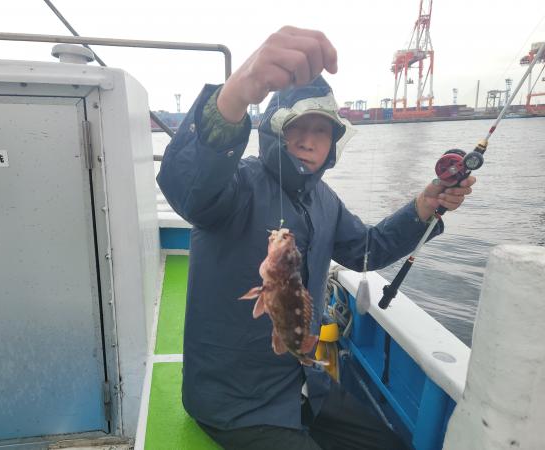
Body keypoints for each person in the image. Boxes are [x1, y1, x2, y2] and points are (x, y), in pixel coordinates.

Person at [157, 26, 475, 450]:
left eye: (321, 130)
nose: (309, 140)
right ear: (275, 130)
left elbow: (367, 250)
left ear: (333, 142)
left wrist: (423, 207)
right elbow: (189, 190)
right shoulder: (236, 186)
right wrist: (238, 91)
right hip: (235, 403)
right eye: (297, 127)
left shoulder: (325, 200)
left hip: (306, 383)